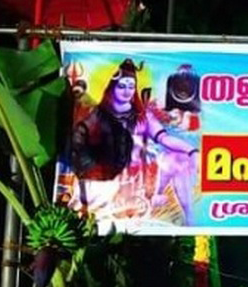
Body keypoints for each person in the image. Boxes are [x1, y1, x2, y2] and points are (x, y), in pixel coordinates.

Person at [70, 58, 199, 224]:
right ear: (111, 87)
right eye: (122, 86)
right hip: (106, 178)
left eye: (131, 86)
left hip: (139, 179)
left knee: (178, 159)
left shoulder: (143, 116)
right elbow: (80, 138)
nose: (127, 91)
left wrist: (191, 150)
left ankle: (189, 218)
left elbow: (164, 139)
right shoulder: (98, 114)